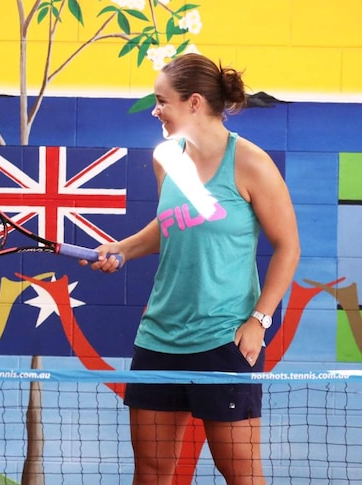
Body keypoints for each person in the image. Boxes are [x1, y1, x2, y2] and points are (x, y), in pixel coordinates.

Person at [84, 53, 300, 485]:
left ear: (194, 103)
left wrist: (259, 320)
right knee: (151, 471)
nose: (155, 109)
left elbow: (288, 248)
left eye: (162, 100)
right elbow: (171, 227)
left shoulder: (251, 163)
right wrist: (123, 249)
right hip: (159, 339)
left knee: (239, 472)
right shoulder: (167, 157)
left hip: (223, 341)